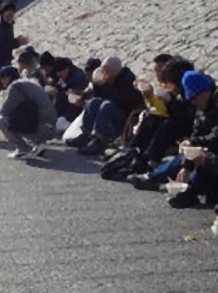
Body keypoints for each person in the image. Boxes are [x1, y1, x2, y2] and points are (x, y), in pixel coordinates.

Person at [129, 71, 218, 209]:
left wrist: (194, 143)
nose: (193, 102)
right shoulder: (201, 108)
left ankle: (159, 176)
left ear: (205, 92)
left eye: (195, 98)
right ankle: (186, 188)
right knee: (180, 198)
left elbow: (214, 136)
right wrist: (186, 166)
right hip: (207, 156)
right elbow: (197, 131)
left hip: (212, 156)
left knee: (203, 158)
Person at [73, 57, 143, 156]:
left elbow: (117, 100)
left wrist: (104, 85)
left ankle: (99, 140)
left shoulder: (128, 81)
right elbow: (101, 95)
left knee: (107, 105)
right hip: (113, 109)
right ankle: (86, 134)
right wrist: (97, 85)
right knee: (94, 102)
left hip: (124, 116)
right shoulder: (110, 79)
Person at [0, 66, 57, 159]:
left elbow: (5, 110)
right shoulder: (29, 81)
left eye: (2, 79)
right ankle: (37, 144)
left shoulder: (16, 86)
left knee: (1, 120)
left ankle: (22, 149)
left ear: (7, 78)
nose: (1, 82)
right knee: (21, 114)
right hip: (51, 126)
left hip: (40, 128)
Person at [0, 2, 28, 97]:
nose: (10, 16)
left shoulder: (7, 25)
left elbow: (7, 42)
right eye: (8, 14)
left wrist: (16, 41)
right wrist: (18, 42)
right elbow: (1, 46)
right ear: (3, 13)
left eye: (12, 14)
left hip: (1, 62)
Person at [52, 57, 89, 122]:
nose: (58, 74)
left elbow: (80, 96)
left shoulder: (77, 78)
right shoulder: (67, 76)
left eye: (59, 71)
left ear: (66, 69)